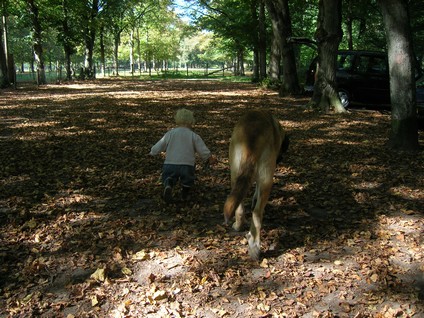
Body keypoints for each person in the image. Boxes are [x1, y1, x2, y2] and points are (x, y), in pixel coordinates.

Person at [149, 108, 216, 203]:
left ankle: (168, 184)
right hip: (187, 165)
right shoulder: (193, 136)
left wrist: (153, 151)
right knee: (187, 180)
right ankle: (185, 195)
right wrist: (209, 157)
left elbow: (159, 145)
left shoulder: (170, 133)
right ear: (191, 121)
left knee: (169, 176)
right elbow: (202, 150)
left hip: (170, 163)